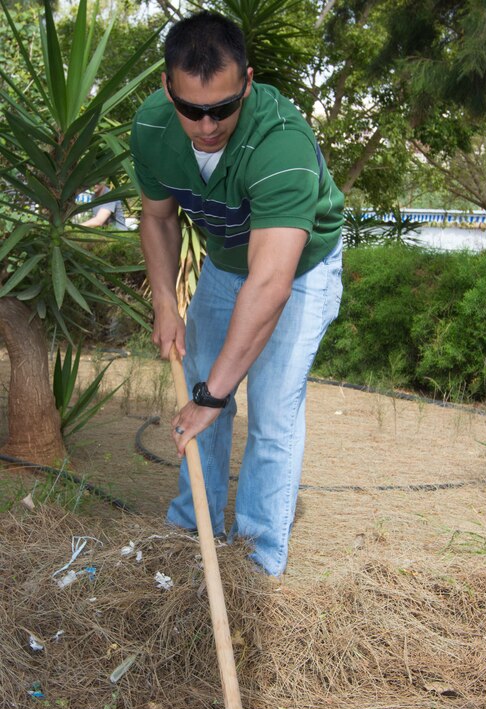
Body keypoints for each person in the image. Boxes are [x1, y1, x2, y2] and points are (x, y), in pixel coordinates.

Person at [130, 10, 344, 576]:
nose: (206, 126)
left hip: (298, 271)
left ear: (247, 82)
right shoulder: (153, 128)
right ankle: (190, 532)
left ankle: (256, 560)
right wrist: (164, 302)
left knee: (270, 413)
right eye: (191, 109)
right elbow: (157, 218)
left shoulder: (281, 144)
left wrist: (212, 395)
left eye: (223, 108)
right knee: (201, 395)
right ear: (166, 89)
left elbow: (271, 282)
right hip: (225, 264)